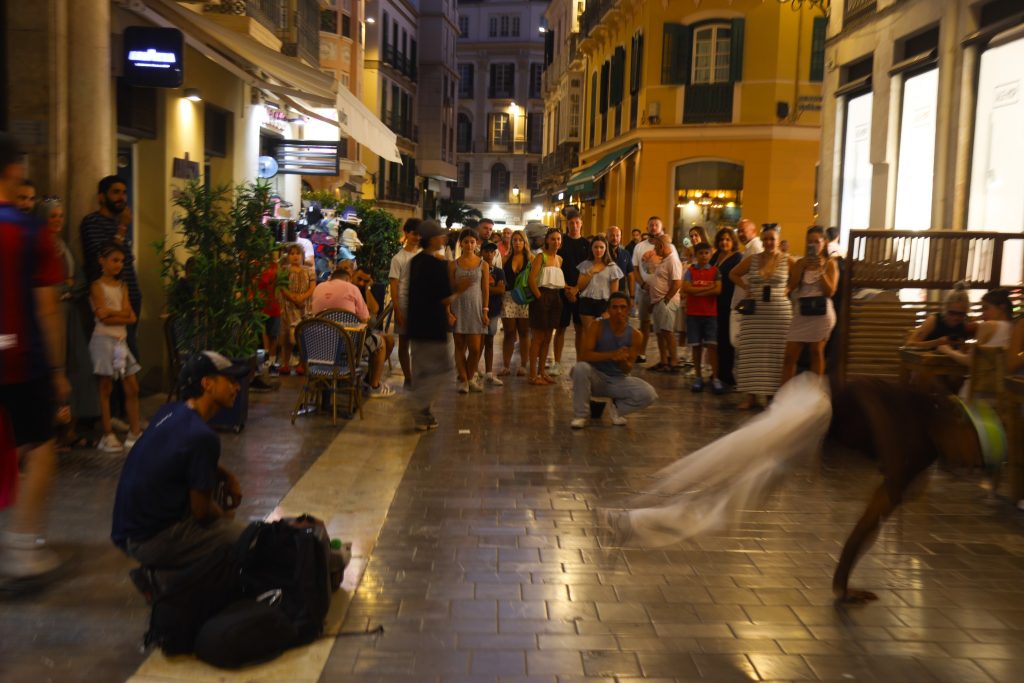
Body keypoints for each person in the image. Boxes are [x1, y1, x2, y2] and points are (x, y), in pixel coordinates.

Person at [0, 132, 70, 582]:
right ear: (15, 170)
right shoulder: (29, 231)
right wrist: (59, 370)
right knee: (42, 448)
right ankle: (23, 547)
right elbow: (47, 307)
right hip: (21, 360)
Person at [110, 351, 248, 569]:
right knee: (246, 541)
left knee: (213, 491)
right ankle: (172, 580)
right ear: (207, 384)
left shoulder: (171, 411)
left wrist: (226, 476)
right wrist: (225, 519)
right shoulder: (203, 437)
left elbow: (176, 458)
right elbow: (202, 512)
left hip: (127, 533)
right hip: (150, 541)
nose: (237, 387)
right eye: (230, 380)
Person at [36, 197, 99, 447]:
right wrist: (63, 288)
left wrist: (68, 289)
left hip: (70, 316)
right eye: (53, 216)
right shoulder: (39, 246)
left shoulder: (64, 246)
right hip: (51, 315)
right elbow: (44, 285)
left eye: (61, 216)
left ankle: (69, 428)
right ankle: (49, 431)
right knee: (53, 367)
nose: (58, 221)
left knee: (75, 369)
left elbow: (79, 281)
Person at [570, 292, 657, 429]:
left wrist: (622, 360)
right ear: (608, 310)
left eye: (623, 307)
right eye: (615, 307)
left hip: (618, 380)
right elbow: (584, 356)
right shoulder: (597, 326)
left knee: (649, 393)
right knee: (580, 368)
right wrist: (611, 355)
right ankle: (580, 415)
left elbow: (627, 369)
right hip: (595, 377)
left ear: (628, 310)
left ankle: (617, 410)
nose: (619, 311)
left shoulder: (635, 335)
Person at [407, 220, 463, 430]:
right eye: (440, 235)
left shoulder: (416, 261)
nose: (444, 239)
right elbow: (444, 297)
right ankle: (418, 406)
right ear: (432, 239)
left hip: (417, 325)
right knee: (441, 369)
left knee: (423, 370)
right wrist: (461, 289)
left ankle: (424, 412)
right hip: (432, 325)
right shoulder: (437, 265)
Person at [729, 225, 792, 410]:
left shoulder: (788, 260)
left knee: (775, 355)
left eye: (772, 239)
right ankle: (751, 397)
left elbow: (799, 277)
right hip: (755, 313)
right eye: (765, 239)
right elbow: (733, 274)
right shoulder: (753, 259)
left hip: (778, 314)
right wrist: (746, 287)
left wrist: (788, 289)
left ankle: (773, 396)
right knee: (751, 354)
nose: (768, 242)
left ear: (778, 240)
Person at [80, 175, 142, 360]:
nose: (121, 197)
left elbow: (125, 259)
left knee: (129, 349)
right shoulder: (92, 222)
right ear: (102, 197)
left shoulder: (118, 223)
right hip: (108, 298)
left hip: (130, 293)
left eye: (124, 193)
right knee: (114, 354)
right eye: (116, 192)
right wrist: (122, 228)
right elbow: (105, 256)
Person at [89, 242, 143, 454]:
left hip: (121, 341)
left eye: (121, 261)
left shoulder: (122, 286)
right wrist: (118, 314)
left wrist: (112, 312)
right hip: (103, 339)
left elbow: (131, 316)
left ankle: (135, 432)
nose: (118, 265)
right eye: (114, 260)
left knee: (132, 387)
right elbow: (102, 317)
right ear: (102, 261)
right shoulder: (96, 286)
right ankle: (107, 434)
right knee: (105, 388)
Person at [311, 267, 395, 397]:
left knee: (387, 339)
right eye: (359, 279)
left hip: (319, 346)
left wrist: (367, 289)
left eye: (365, 281)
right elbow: (366, 319)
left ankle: (367, 379)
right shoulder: (352, 289)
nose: (361, 283)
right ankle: (374, 386)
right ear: (349, 277)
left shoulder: (318, 287)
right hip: (348, 346)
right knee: (381, 343)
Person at [781, 226, 839, 384]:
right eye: (809, 242)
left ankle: (814, 393)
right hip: (802, 311)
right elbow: (792, 286)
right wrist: (800, 268)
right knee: (789, 355)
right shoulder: (800, 263)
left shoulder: (830, 264)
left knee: (816, 352)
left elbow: (830, 291)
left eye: (816, 242)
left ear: (824, 242)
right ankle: (785, 394)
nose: (813, 245)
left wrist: (820, 270)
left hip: (822, 313)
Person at [449, 228, 489, 393]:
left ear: (477, 243)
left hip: (476, 309)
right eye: (466, 242)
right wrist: (448, 312)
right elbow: (449, 290)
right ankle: (464, 379)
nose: (469, 245)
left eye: (472, 242)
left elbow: (485, 290)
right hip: (458, 308)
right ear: (461, 243)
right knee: (459, 346)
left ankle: (470, 376)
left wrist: (485, 310)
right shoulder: (453, 264)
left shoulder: (483, 264)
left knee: (475, 348)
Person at [683, 242, 723, 393]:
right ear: (696, 255)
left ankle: (715, 377)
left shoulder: (715, 271)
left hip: (710, 314)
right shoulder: (690, 271)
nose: (704, 256)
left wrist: (697, 291)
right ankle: (698, 376)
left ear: (711, 254)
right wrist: (708, 288)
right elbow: (686, 288)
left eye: (706, 253)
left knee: (712, 346)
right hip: (693, 314)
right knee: (696, 346)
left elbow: (718, 290)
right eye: (701, 253)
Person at [632, 216, 672, 364]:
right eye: (651, 225)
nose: (654, 227)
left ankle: (665, 357)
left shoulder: (668, 247)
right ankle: (641, 353)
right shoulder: (639, 247)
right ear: (647, 228)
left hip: (662, 293)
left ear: (661, 228)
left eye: (656, 225)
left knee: (663, 326)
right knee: (644, 322)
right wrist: (642, 284)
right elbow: (635, 269)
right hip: (645, 291)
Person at [554, 209, 590, 373]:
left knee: (580, 329)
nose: (574, 226)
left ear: (581, 223)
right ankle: (556, 363)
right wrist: (567, 288)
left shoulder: (587, 245)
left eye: (577, 222)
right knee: (560, 328)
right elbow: (556, 267)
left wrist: (577, 289)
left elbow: (589, 270)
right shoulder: (561, 243)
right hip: (562, 291)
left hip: (581, 291)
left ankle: (579, 363)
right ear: (567, 225)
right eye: (571, 223)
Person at [527, 228, 565, 385]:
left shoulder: (559, 259)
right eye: (553, 238)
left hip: (556, 297)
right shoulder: (540, 257)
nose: (556, 242)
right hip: (542, 296)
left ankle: (542, 372)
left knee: (548, 338)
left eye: (558, 239)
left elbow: (556, 280)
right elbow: (531, 279)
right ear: (547, 240)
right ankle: (533, 375)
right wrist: (540, 298)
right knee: (538, 338)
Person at [389, 218, 421, 387]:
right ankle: (408, 377)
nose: (417, 237)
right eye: (414, 234)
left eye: (420, 234)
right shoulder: (398, 258)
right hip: (404, 304)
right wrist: (397, 309)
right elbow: (394, 285)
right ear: (407, 233)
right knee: (404, 342)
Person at [278, 243, 316, 375]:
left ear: (302, 255)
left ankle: (301, 364)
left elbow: (312, 287)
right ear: (288, 256)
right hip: (288, 306)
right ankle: (285, 363)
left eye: (298, 253)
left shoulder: (309, 270)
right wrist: (293, 299)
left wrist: (302, 298)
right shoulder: (284, 270)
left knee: (302, 335)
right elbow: (282, 287)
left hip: (304, 307)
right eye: (292, 254)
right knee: (287, 336)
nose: (295, 256)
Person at [711, 227, 742, 388]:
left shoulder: (737, 257)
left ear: (733, 241)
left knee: (726, 340)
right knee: (715, 339)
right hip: (712, 301)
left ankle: (727, 375)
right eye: (722, 239)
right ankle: (716, 372)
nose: (724, 242)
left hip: (728, 302)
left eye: (728, 239)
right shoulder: (715, 256)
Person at [648, 235, 684, 372]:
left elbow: (677, 282)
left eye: (656, 247)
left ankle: (673, 362)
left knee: (667, 332)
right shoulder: (664, 260)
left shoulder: (673, 260)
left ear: (662, 246)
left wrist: (666, 299)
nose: (655, 250)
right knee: (659, 333)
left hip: (666, 301)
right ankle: (663, 361)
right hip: (658, 301)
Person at [500, 230, 532, 376]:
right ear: (511, 242)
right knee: (509, 332)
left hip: (525, 298)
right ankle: (506, 365)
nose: (517, 242)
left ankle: (523, 365)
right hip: (508, 297)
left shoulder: (531, 258)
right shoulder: (505, 259)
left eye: (520, 240)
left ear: (525, 242)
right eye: (514, 240)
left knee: (524, 332)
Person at [576, 235, 623, 330]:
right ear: (591, 248)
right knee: (589, 332)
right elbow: (580, 287)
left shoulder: (612, 267)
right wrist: (591, 272)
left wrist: (609, 309)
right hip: (587, 301)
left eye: (601, 247)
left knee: (603, 334)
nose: (598, 250)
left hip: (604, 303)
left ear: (606, 249)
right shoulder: (585, 264)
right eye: (596, 247)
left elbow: (614, 293)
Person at [904, 284, 972, 350]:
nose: (956, 317)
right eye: (952, 313)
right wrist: (937, 342)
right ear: (946, 309)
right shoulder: (934, 320)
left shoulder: (963, 324)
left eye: (960, 314)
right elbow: (909, 345)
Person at [480, 242, 506, 386]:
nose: (489, 254)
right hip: (479, 308)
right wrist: (492, 288)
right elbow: (478, 289)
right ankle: (472, 371)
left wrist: (486, 289)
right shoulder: (478, 268)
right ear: (482, 252)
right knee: (477, 342)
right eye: (486, 251)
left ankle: (489, 372)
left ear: (495, 254)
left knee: (489, 340)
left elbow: (501, 290)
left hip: (494, 309)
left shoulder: (499, 271)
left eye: (492, 252)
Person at [256, 250, 282, 374]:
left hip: (275, 305)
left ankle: (272, 359)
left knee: (274, 334)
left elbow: (281, 286)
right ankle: (266, 356)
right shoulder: (258, 266)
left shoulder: (277, 267)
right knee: (264, 331)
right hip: (262, 304)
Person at [606, 226, 634, 313]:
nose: (615, 238)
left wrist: (632, 296)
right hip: (604, 294)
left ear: (620, 237)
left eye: (617, 235)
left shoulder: (626, 254)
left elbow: (631, 275)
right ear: (607, 237)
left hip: (621, 293)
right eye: (612, 235)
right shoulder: (602, 253)